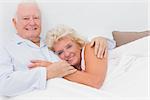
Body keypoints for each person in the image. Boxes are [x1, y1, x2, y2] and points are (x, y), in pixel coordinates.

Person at [0, 2, 114, 96]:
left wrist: (100, 38)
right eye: (26, 18)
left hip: (77, 93)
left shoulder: (51, 43)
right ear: (15, 23)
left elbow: (80, 44)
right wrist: (46, 73)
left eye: (36, 18)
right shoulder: (6, 49)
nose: (32, 22)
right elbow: (3, 85)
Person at [29, 25, 108, 89]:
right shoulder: (73, 68)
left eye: (69, 46)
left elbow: (95, 82)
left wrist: (54, 68)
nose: (66, 54)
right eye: (60, 52)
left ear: (79, 44)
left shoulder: (90, 47)